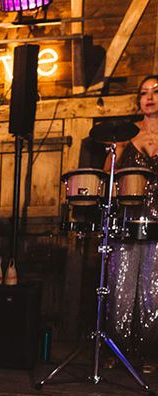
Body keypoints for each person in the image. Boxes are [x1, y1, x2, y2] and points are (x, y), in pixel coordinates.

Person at [105, 75, 158, 373]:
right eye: (143, 93)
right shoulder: (126, 134)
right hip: (129, 217)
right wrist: (112, 156)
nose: (149, 97)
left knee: (155, 287)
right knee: (121, 285)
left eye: (156, 91)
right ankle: (117, 349)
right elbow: (107, 176)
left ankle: (151, 353)